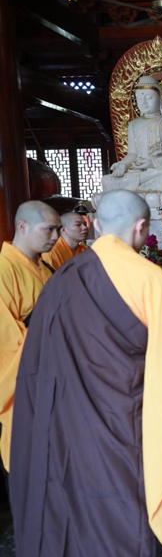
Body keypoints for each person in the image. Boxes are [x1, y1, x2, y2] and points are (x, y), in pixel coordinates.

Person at [10, 189, 162, 556]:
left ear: (95, 225)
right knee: (125, 516)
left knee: (70, 514)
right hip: (123, 429)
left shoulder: (60, 280)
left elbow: (34, 367)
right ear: (142, 227)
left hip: (64, 430)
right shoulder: (150, 279)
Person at [0, 201, 60, 475]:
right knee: (33, 469)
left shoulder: (45, 268)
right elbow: (6, 340)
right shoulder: (4, 269)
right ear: (22, 226)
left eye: (58, 230)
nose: (56, 237)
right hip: (29, 380)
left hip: (58, 379)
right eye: (49, 229)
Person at [101, 75, 162, 193]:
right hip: (138, 174)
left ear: (161, 99)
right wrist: (123, 164)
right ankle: (142, 192)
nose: (143, 102)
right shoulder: (133, 124)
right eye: (139, 98)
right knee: (107, 181)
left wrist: (152, 163)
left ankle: (134, 194)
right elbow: (133, 154)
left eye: (149, 97)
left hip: (160, 172)